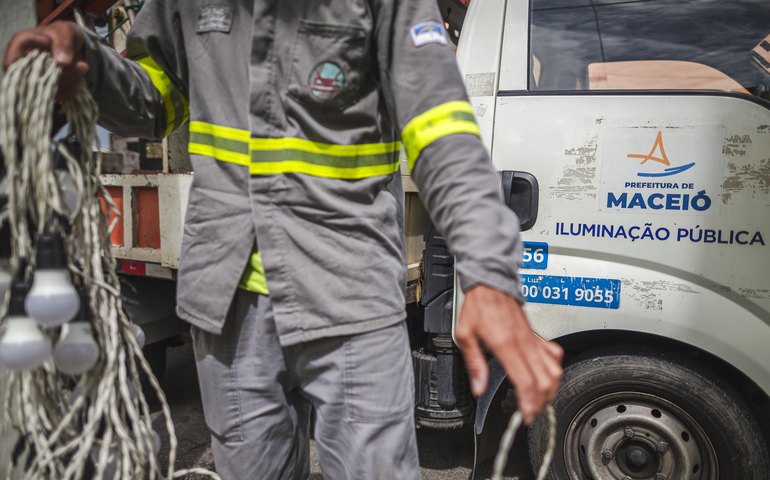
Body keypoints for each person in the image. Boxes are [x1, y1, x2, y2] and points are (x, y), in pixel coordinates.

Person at [5, 1, 562, 478]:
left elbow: (440, 128)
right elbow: (157, 98)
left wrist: (488, 270)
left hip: (350, 297)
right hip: (228, 302)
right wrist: (89, 62)